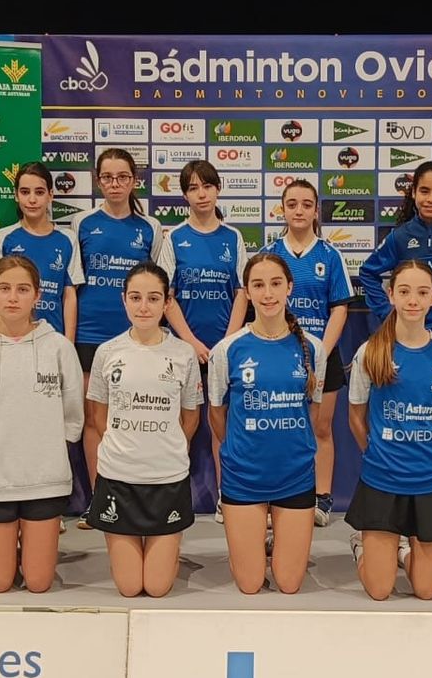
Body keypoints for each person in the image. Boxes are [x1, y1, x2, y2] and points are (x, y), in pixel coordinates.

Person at [0, 255, 84, 594]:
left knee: (38, 583)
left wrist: (44, 449)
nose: (13, 298)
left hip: (45, 480)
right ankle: (10, 549)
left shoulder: (59, 348)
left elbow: (72, 417)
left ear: (37, 296)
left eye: (23, 290)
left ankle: (32, 550)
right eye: (4, 288)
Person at [346, 259, 432, 601]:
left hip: (431, 482)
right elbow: (356, 417)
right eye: (404, 291)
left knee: (426, 591)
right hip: (383, 480)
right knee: (380, 590)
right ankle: (363, 547)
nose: (413, 300)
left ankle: (401, 553)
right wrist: (376, 454)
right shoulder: (370, 351)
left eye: (422, 292)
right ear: (391, 295)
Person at [357, 161, 432, 488]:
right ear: (413, 192)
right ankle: (412, 477)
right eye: (424, 191)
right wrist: (389, 312)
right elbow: (368, 273)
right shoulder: (401, 236)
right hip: (416, 337)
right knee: (417, 408)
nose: (431, 199)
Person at [210, 252, 326, 596]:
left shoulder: (313, 348)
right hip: (244, 477)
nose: (268, 293)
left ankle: (273, 540)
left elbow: (313, 414)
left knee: (289, 584)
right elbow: (217, 415)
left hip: (295, 476)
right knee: (249, 584)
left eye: (276, 284)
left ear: (289, 287)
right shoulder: (227, 350)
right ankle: (253, 542)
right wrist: (242, 450)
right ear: (247, 292)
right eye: (258, 285)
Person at [69, 148, 174, 524]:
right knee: (94, 420)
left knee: (135, 417)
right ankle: (100, 500)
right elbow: (72, 283)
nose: (115, 184)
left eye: (123, 177)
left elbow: (162, 285)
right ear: (98, 181)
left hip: (138, 338)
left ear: (134, 181)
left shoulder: (150, 227)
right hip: (89, 336)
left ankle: (135, 496)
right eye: (108, 177)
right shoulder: (81, 223)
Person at [87, 263, 204, 598]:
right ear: (123, 299)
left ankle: (169, 554)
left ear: (167, 302)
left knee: (156, 587)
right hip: (118, 478)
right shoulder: (107, 352)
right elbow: (99, 415)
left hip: (167, 479)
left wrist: (165, 449)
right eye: (135, 297)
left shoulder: (183, 354)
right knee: (129, 587)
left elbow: (190, 418)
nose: (143, 307)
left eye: (153, 298)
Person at [260, 179, 353, 525]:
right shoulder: (270, 254)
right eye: (292, 204)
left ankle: (322, 497)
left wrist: (321, 354)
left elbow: (339, 308)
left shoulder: (330, 255)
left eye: (306, 204)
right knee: (280, 428)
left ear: (316, 211)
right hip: (279, 355)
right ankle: (277, 498)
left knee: (321, 427)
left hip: (322, 355)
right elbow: (261, 305)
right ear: (282, 209)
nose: (299, 210)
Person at [162, 159, 247, 519]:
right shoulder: (174, 238)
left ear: (218, 189)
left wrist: (226, 344)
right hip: (184, 349)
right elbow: (166, 297)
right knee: (182, 424)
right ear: (184, 195)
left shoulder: (233, 237)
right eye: (193, 188)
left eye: (207, 186)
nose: (201, 194)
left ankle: (228, 497)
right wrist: (191, 343)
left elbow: (242, 292)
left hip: (224, 349)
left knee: (221, 425)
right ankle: (170, 495)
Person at [0, 162, 81, 339]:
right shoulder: (3, 238)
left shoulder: (68, 239)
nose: (32, 200)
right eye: (25, 192)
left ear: (50, 195)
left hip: (52, 338)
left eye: (39, 192)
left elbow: (69, 296)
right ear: (16, 195)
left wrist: (68, 343)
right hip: (11, 338)